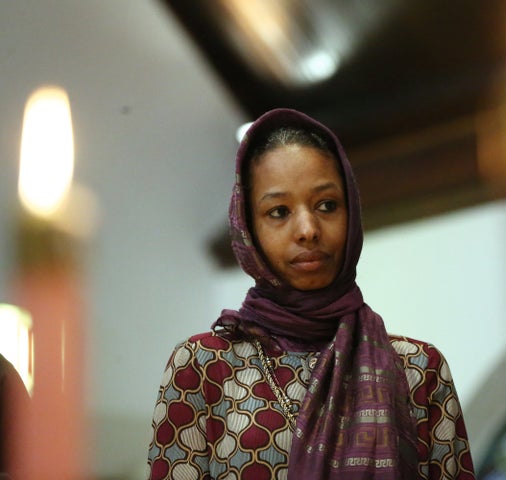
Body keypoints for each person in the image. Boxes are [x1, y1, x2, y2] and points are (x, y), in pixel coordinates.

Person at [146, 108, 475, 479]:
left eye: (326, 205)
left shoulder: (418, 370)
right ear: (247, 228)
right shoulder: (204, 367)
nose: (307, 229)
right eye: (279, 211)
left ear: (351, 213)